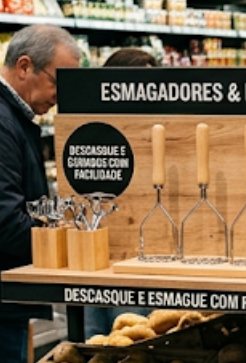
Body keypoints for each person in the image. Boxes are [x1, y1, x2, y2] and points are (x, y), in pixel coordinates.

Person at [0, 24, 81, 363]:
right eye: (57, 82)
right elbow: (7, 223)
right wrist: (65, 239)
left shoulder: (14, 119)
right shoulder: (2, 124)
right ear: (24, 67)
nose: (60, 97)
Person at [79, 47, 159, 340]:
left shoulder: (164, 138)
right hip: (101, 261)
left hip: (146, 265)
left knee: (134, 339)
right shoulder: (95, 136)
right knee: (95, 343)